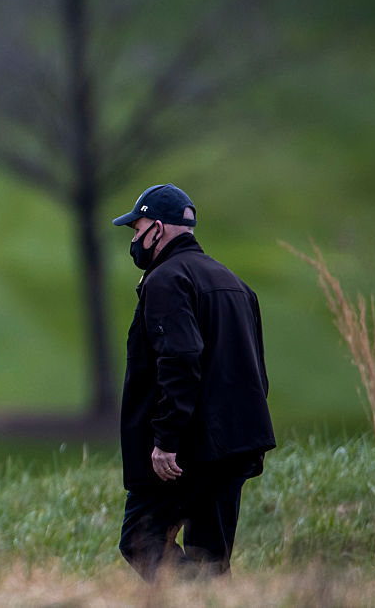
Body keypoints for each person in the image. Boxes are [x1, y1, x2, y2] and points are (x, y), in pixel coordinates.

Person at [112, 183, 275, 580]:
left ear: (160, 229)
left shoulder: (167, 279)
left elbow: (181, 360)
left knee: (141, 538)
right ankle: (214, 594)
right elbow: (256, 371)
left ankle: (203, 595)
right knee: (210, 557)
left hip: (188, 451)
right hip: (234, 445)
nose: (134, 237)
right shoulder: (235, 283)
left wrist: (166, 440)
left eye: (138, 227)